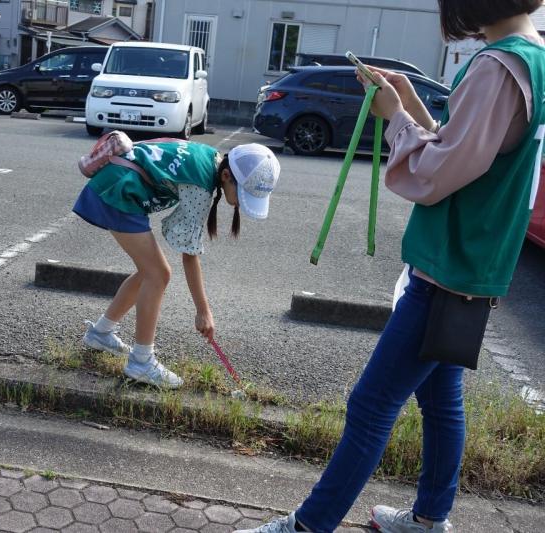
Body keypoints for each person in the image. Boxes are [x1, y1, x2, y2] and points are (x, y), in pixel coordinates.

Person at [238, 1, 545, 532]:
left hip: (446, 267)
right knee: (441, 397)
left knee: (371, 406)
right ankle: (428, 521)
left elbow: (435, 171)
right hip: (474, 266)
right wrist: (409, 103)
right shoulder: (533, 59)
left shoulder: (498, 67)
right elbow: (466, 152)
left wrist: (393, 118)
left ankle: (310, 526)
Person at [74, 139, 280, 388]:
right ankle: (141, 361)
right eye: (242, 195)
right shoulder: (201, 185)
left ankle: (101, 333)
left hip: (118, 182)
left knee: (150, 272)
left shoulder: (209, 156)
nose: (240, 203)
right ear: (226, 175)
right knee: (158, 275)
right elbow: (189, 255)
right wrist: (203, 311)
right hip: (118, 191)